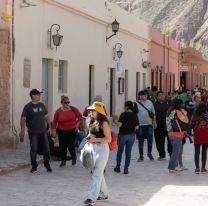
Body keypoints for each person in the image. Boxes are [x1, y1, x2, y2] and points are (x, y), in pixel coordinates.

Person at [84, 101, 111, 205]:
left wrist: (94, 140)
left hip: (102, 150)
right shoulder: (91, 120)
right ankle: (104, 195)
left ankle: (91, 197)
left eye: (92, 110)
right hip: (93, 149)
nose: (90, 112)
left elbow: (108, 139)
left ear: (98, 111)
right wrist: (89, 137)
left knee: (96, 174)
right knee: (97, 173)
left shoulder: (104, 122)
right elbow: (92, 133)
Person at [19, 88, 52, 173]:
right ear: (33, 96)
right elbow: (23, 118)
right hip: (33, 132)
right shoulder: (27, 107)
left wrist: (50, 127)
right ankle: (34, 166)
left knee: (47, 149)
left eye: (39, 95)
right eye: (38, 94)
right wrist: (22, 129)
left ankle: (47, 164)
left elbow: (47, 116)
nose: (39, 96)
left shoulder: (42, 105)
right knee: (34, 150)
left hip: (43, 131)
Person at [52, 95, 83, 167]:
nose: (67, 104)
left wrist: (77, 124)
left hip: (72, 130)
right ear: (62, 103)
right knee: (62, 146)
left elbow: (80, 117)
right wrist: (53, 130)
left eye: (68, 102)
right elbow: (54, 121)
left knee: (70, 145)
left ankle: (74, 157)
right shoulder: (58, 111)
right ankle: (63, 160)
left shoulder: (73, 109)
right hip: (61, 130)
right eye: (65, 102)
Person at [114, 101, 139, 174]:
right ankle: (126, 169)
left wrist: (115, 121)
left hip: (123, 135)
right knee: (128, 153)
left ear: (127, 107)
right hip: (131, 136)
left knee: (120, 151)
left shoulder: (123, 114)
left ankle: (118, 167)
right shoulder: (135, 115)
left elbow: (119, 125)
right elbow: (137, 127)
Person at [166, 99, 188, 175]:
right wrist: (184, 113)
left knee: (174, 152)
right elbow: (186, 121)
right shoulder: (178, 112)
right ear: (179, 104)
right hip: (177, 134)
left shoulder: (170, 111)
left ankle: (174, 167)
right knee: (175, 153)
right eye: (181, 104)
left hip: (170, 134)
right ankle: (171, 169)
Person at [136, 90, 156, 161]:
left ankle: (149, 153)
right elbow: (135, 115)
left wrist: (154, 122)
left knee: (150, 140)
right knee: (140, 141)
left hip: (149, 124)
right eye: (144, 95)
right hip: (140, 125)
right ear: (140, 96)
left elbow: (153, 113)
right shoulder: (136, 104)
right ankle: (141, 155)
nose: (145, 96)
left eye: (146, 95)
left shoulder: (150, 102)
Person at [154, 91, 172, 160]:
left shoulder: (169, 103)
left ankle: (171, 154)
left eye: (163, 95)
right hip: (158, 126)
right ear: (157, 97)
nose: (162, 96)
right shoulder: (154, 104)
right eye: (160, 95)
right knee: (159, 141)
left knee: (170, 141)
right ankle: (162, 154)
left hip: (169, 126)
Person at [191, 103, 208, 174]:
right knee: (204, 152)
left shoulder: (194, 116)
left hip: (197, 135)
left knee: (197, 152)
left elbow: (191, 125)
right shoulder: (207, 115)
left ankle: (197, 168)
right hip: (205, 135)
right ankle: (203, 168)